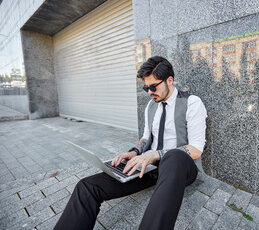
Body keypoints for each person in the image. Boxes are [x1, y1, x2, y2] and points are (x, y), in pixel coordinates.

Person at [54, 56, 207, 230]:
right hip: (150, 167)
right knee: (86, 187)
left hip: (179, 168)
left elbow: (196, 149)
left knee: (173, 157)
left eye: (153, 86)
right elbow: (145, 138)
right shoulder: (151, 106)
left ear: (169, 80)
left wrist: (155, 154)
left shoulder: (192, 103)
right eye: (146, 88)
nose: (149, 92)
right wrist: (135, 152)